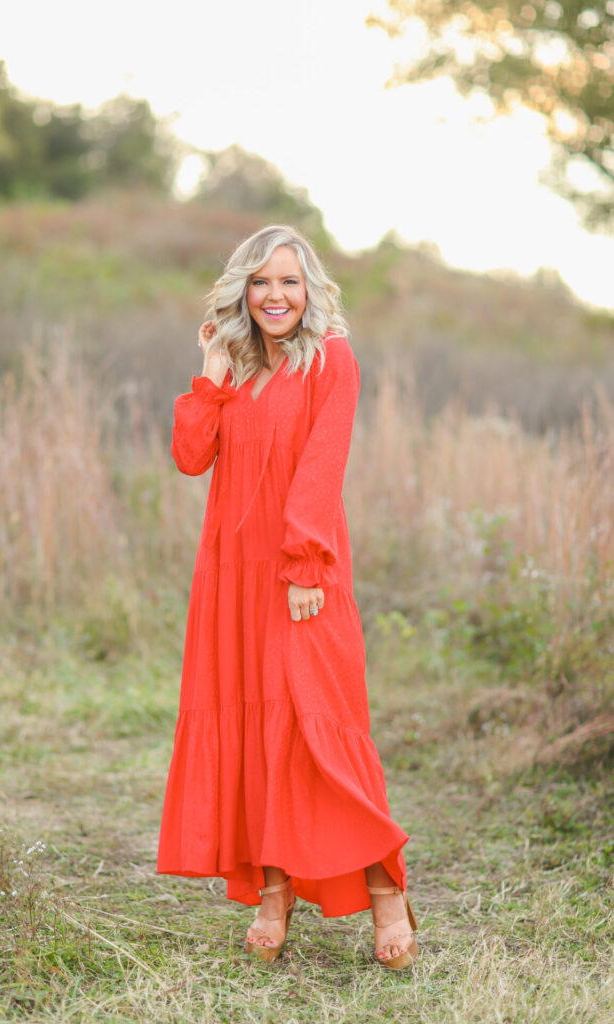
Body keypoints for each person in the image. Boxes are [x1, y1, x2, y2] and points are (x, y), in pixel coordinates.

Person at [156, 224, 418, 968]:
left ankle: (384, 893)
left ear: (311, 292)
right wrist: (208, 368)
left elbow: (322, 463)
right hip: (230, 573)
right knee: (253, 725)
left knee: (316, 719)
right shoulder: (235, 364)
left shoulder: (331, 357)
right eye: (262, 282)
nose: (275, 296)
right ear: (243, 288)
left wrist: (305, 563)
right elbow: (190, 456)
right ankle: (273, 893)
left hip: (299, 567)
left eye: (289, 282)